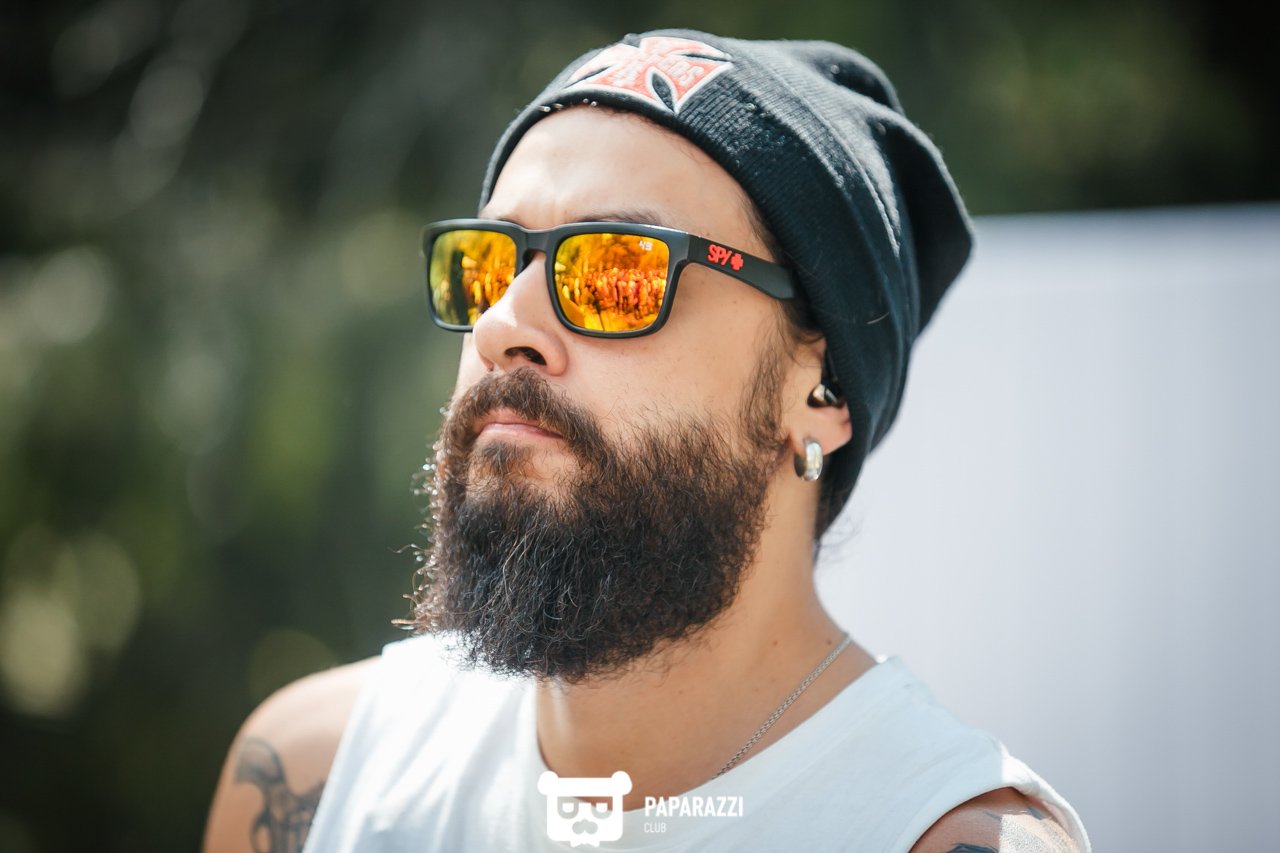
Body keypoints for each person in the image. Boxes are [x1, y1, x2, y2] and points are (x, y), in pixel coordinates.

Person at [204, 30, 1090, 853]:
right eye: (489, 264)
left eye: (617, 270)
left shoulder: (938, 830)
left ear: (818, 393)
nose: (502, 324)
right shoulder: (318, 777)